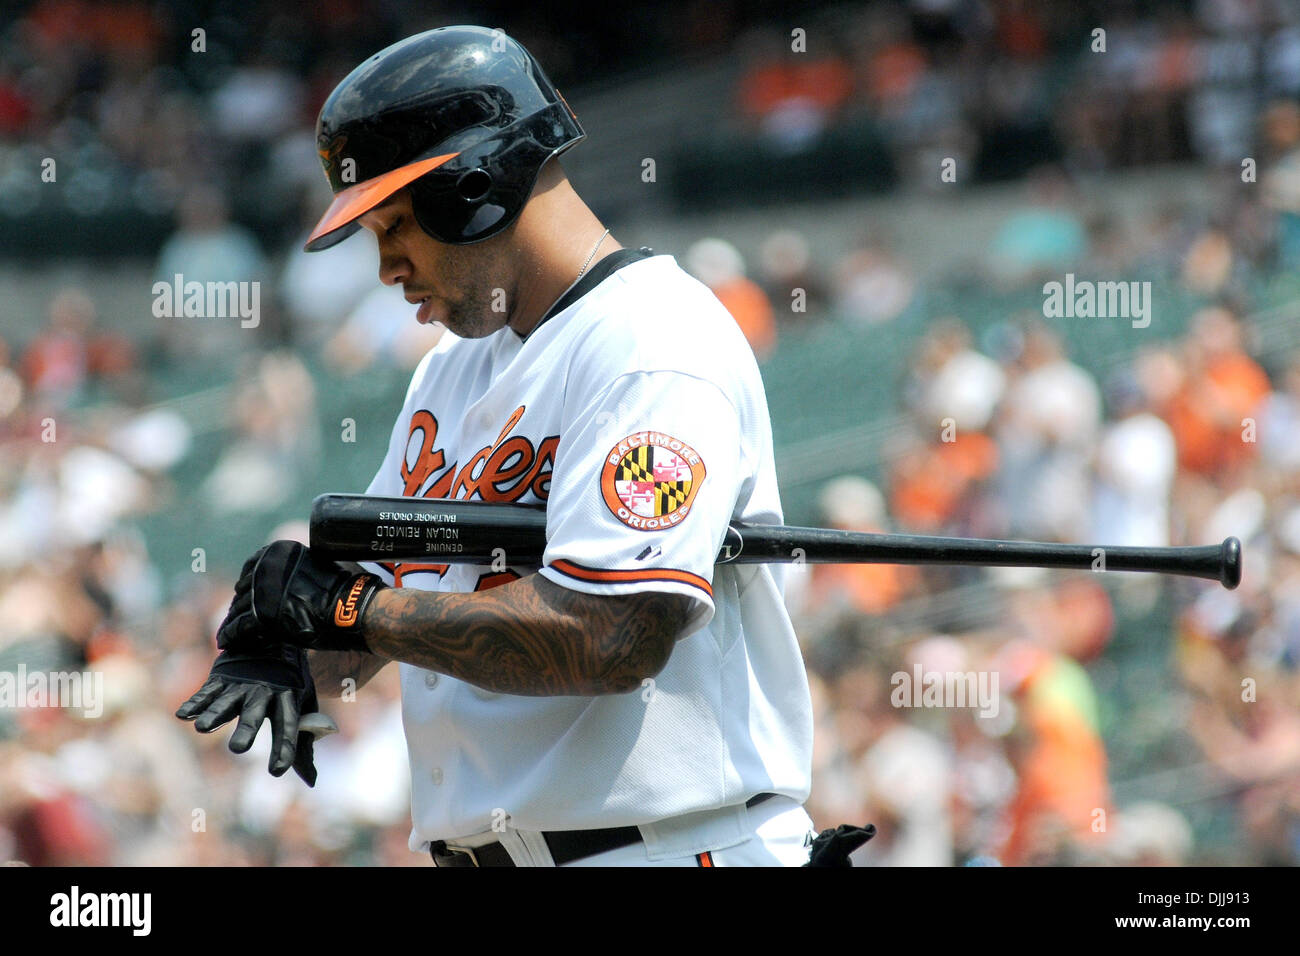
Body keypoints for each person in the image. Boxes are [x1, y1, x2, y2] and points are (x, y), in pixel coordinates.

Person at [176, 25, 818, 867]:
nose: (387, 268)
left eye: (394, 227)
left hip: (665, 848)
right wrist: (295, 646)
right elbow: (392, 607)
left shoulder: (651, 341)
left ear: (472, 186)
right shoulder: (452, 368)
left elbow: (613, 635)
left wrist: (354, 611)